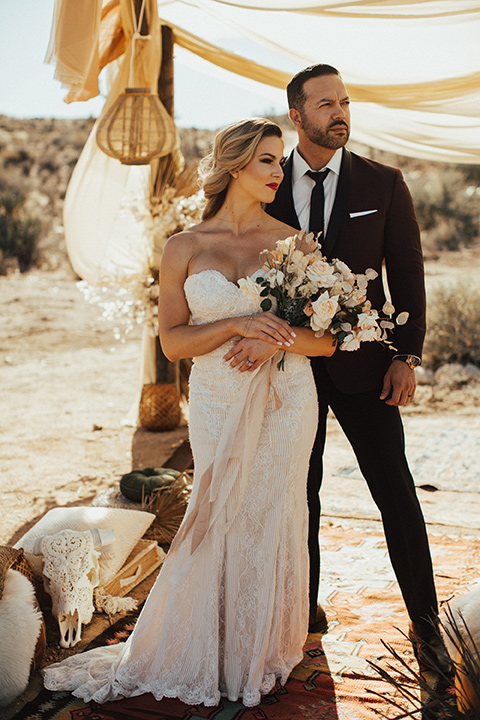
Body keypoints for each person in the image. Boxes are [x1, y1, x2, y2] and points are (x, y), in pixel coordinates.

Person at [42, 117, 335, 707]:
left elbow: (326, 341)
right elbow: (174, 343)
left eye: (281, 162)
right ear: (233, 167)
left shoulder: (296, 244)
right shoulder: (184, 247)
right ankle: (206, 642)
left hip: (285, 396)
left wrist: (272, 339)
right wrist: (236, 323)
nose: (281, 172)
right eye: (268, 162)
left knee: (272, 508)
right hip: (215, 397)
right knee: (217, 507)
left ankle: (260, 646)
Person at [231, 65, 450, 674]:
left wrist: (407, 356)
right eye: (326, 104)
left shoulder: (384, 183)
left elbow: (408, 273)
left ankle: (426, 623)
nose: (340, 113)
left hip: (366, 368)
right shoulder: (266, 182)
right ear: (296, 115)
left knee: (395, 492)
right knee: (300, 493)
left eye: (345, 102)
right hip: (286, 372)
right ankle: (303, 610)